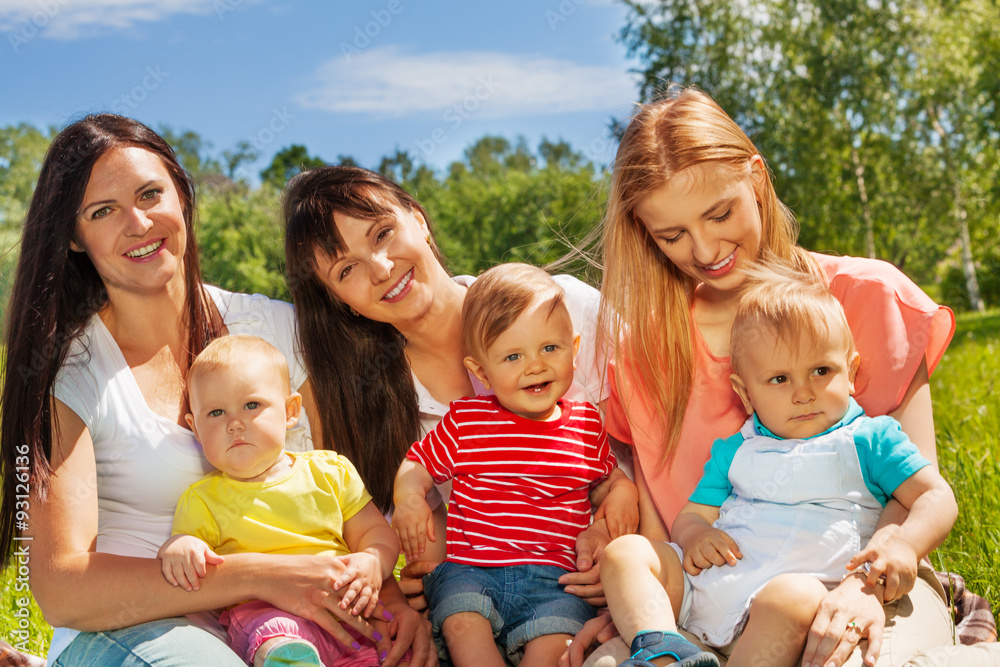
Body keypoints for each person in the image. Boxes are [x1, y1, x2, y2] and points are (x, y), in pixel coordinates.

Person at [562, 87, 1000, 667]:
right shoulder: (647, 349)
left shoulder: (865, 296)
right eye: (672, 236)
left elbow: (916, 490)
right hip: (713, 596)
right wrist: (638, 620)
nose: (706, 248)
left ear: (758, 178)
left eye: (720, 213)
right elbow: (655, 525)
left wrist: (861, 589)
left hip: (859, 580)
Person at [0, 115, 432, 667]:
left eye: (150, 194)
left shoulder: (277, 329)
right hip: (134, 631)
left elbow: (337, 500)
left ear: (182, 195)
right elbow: (61, 588)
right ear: (74, 238)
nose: (137, 223)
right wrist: (261, 576)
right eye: (102, 211)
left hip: (295, 627)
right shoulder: (73, 371)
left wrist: (390, 602)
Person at [283, 166, 615, 607]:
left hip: (615, 587)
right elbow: (408, 551)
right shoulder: (374, 409)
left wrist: (625, 564)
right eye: (347, 270)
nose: (381, 269)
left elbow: (650, 456)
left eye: (382, 234)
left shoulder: (565, 305)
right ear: (340, 301)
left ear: (418, 219)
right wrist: (410, 589)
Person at [598, 265, 957, 667]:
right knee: (625, 553)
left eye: (821, 371)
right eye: (779, 379)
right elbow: (692, 516)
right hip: (713, 586)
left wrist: (903, 544)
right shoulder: (735, 450)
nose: (804, 393)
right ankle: (663, 650)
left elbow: (936, 495)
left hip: (791, 609)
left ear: (851, 372)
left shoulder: (869, 440)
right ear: (745, 392)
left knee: (791, 595)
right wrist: (696, 533)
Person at [392, 264, 638, 666]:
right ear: (481, 371)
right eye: (512, 356)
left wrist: (624, 494)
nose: (535, 366)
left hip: (555, 581)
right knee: (461, 622)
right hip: (473, 569)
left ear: (574, 349)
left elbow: (607, 478)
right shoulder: (466, 421)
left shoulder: (584, 424)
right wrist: (409, 498)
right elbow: (417, 464)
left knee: (555, 641)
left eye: (550, 349)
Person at [159, 335, 405, 667]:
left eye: (251, 405)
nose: (235, 423)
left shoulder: (329, 472)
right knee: (273, 633)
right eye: (216, 412)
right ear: (196, 429)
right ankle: (290, 660)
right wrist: (179, 545)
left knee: (377, 655)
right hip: (267, 613)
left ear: (290, 411)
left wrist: (373, 560)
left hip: (346, 612)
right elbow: (189, 555)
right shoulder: (203, 498)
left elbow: (375, 532)